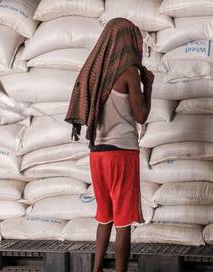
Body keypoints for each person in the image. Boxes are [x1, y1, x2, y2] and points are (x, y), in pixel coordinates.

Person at [66, 18, 154, 272]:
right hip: (122, 154)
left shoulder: (96, 73)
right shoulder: (128, 73)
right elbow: (141, 116)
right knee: (123, 222)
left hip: (98, 153)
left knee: (105, 216)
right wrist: (148, 87)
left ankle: (96, 270)